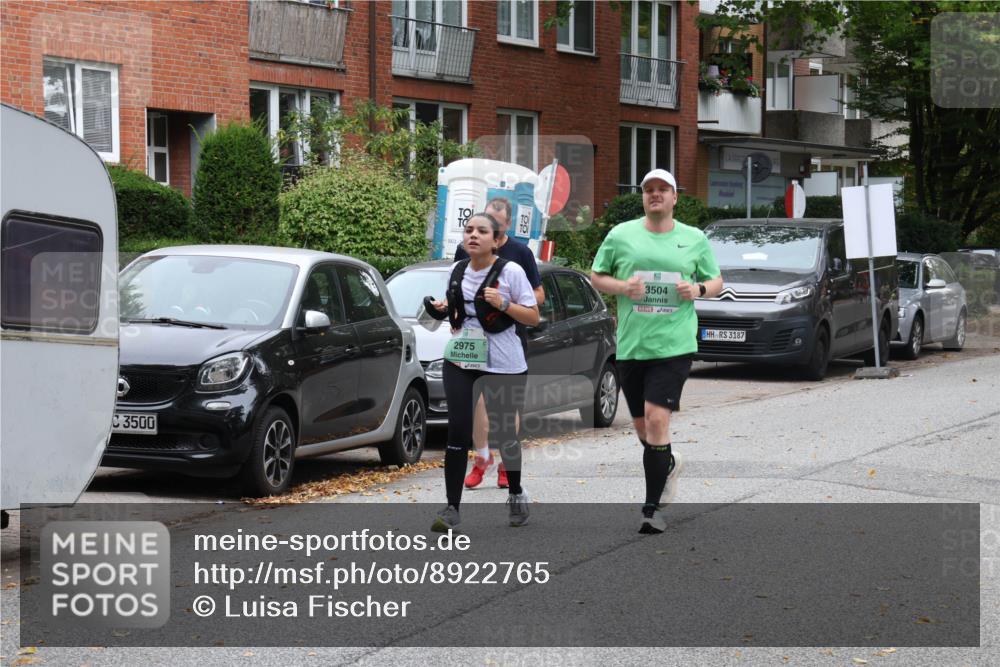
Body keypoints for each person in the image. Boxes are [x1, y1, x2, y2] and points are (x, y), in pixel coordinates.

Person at [590, 169, 723, 534]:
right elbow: (596, 276)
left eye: (663, 189)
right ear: (643, 197)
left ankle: (651, 510)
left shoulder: (693, 238)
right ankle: (667, 463)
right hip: (634, 345)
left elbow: (716, 280)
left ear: (675, 197)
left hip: (675, 344)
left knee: (656, 419)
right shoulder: (621, 235)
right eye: (649, 190)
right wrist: (622, 287)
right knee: (642, 430)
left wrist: (696, 290)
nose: (655, 195)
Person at [427, 212, 540, 531]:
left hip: (503, 361)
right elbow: (455, 310)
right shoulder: (457, 270)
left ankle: (516, 493)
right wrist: (441, 308)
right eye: (468, 230)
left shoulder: (512, 271)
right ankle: (451, 508)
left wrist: (504, 304)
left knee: (505, 432)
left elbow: (532, 317)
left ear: (496, 239)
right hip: (462, 357)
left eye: (481, 231)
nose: (473, 235)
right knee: (458, 430)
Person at [455, 197, 545, 490]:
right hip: (472, 341)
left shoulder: (519, 254)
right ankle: (482, 458)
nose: (482, 230)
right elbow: (459, 288)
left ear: (505, 226)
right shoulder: (465, 251)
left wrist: (505, 302)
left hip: (508, 335)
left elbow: (537, 298)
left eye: (495, 223)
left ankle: (507, 463)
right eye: (482, 222)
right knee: (476, 401)